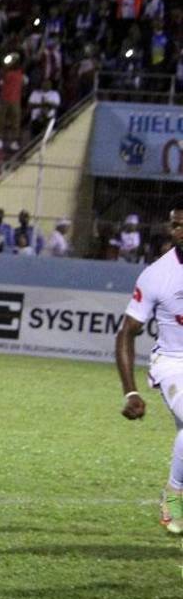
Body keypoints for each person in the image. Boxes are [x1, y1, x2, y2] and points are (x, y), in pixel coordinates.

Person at [115, 203, 183, 536]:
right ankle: (173, 493)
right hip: (173, 362)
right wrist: (131, 392)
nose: (178, 232)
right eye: (175, 225)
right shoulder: (158, 274)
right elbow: (126, 333)